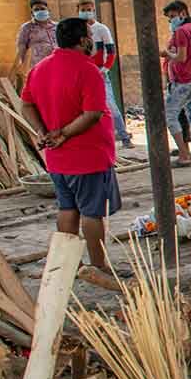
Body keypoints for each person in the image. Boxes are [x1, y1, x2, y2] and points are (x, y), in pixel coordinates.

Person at [20, 16, 122, 281]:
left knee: (67, 209)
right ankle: (98, 267)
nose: (92, 41)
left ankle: (68, 264)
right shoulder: (88, 70)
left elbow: (26, 104)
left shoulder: (40, 68)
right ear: (83, 40)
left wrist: (42, 131)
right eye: (89, 36)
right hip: (87, 155)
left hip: (57, 159)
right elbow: (93, 113)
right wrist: (64, 134)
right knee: (91, 213)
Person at [77, 0, 129, 149]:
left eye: (89, 9)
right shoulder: (77, 30)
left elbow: (111, 52)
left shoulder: (101, 29)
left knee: (110, 105)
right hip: (82, 73)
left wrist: (105, 69)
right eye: (83, 10)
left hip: (99, 73)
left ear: (93, 10)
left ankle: (124, 136)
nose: (86, 12)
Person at [159, 0, 191, 167]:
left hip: (183, 81)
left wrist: (166, 54)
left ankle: (184, 155)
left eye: (172, 17)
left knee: (170, 115)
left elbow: (181, 57)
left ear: (183, 13)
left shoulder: (181, 32)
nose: (171, 21)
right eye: (169, 18)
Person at [15, 0, 58, 74]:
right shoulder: (27, 27)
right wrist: (22, 64)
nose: (40, 11)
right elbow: (21, 46)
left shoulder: (57, 26)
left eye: (42, 9)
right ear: (32, 13)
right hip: (38, 66)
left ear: (48, 10)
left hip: (57, 63)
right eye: (36, 10)